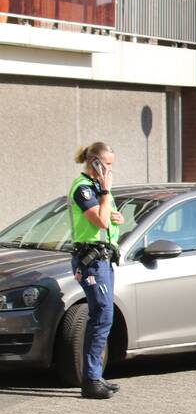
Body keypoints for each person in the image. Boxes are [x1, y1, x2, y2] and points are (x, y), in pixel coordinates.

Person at [68, 142, 124, 399]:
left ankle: (96, 376)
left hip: (103, 259)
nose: (111, 169)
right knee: (101, 315)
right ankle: (90, 380)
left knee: (105, 316)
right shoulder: (84, 189)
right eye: (107, 164)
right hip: (91, 261)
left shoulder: (97, 189)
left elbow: (105, 218)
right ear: (95, 163)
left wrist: (116, 216)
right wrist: (105, 194)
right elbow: (98, 220)